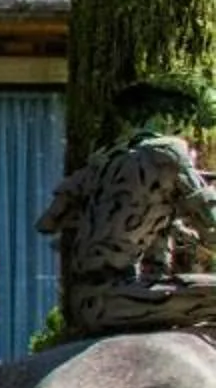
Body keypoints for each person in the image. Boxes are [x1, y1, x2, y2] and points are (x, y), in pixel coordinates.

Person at [38, 79, 216, 336]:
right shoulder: (171, 151)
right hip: (125, 299)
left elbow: (48, 223)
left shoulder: (102, 159)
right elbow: (211, 227)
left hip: (83, 301)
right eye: (183, 118)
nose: (183, 128)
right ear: (165, 116)